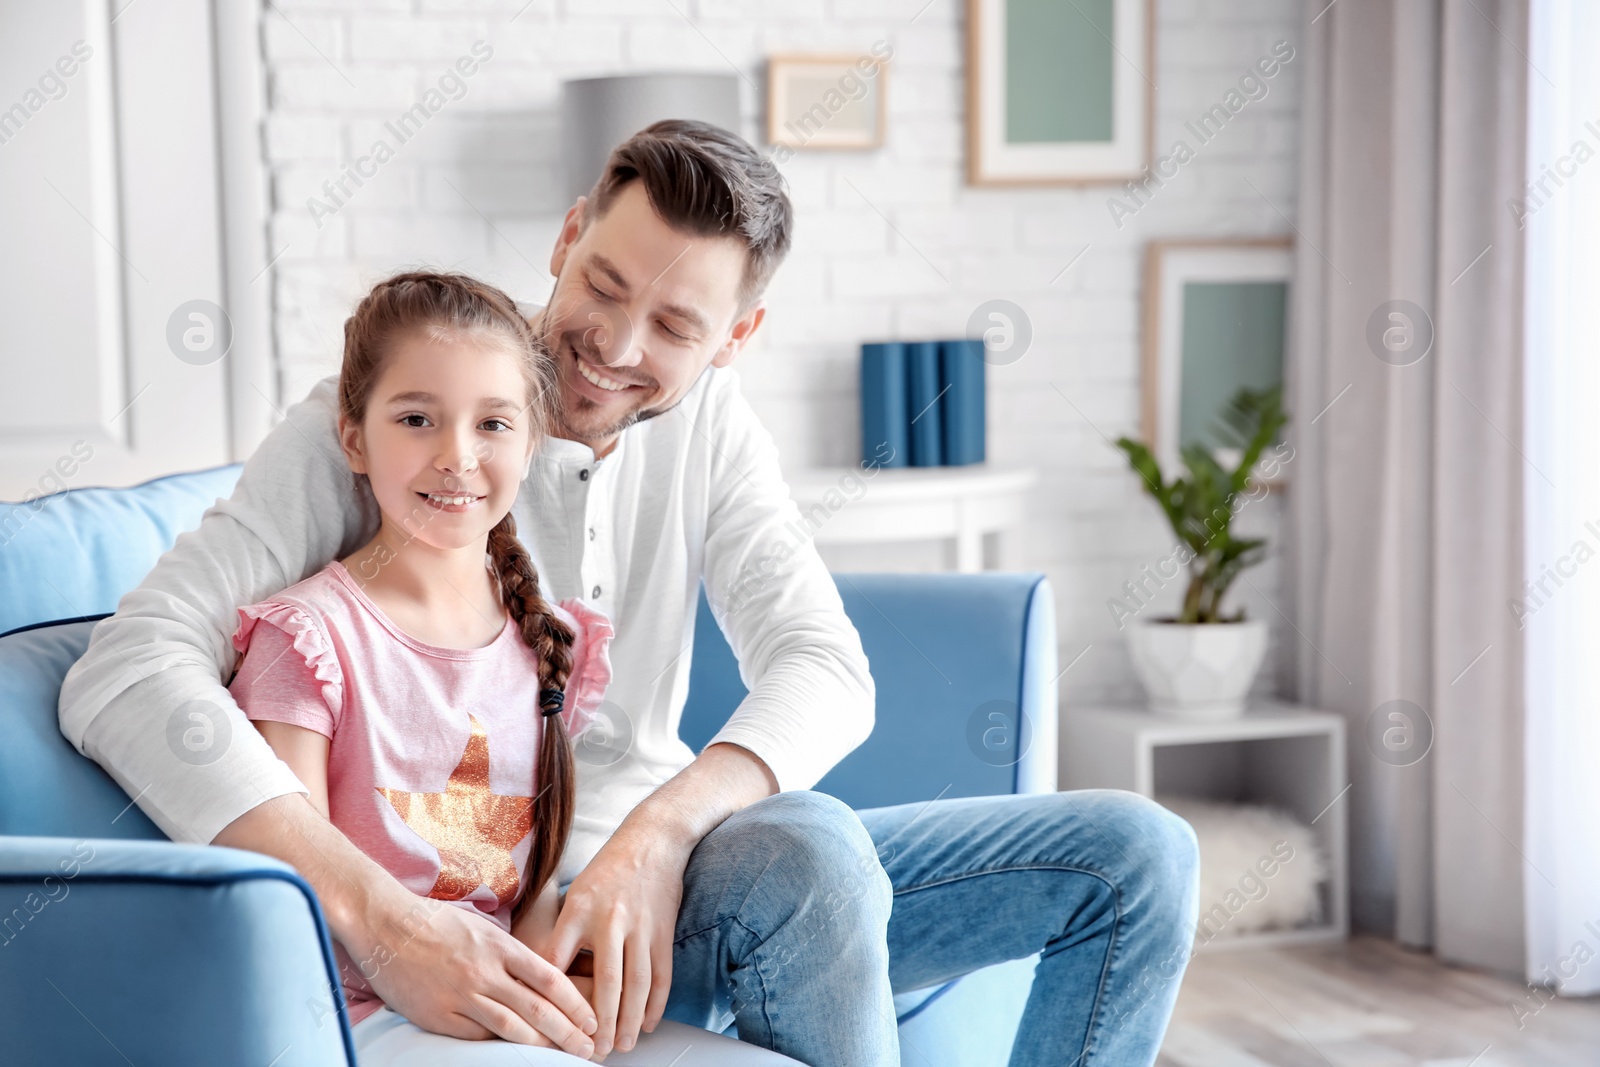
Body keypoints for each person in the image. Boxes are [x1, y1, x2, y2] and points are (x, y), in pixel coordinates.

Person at [59, 119, 1199, 1066]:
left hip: (697, 883)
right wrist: (375, 916)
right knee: (806, 844)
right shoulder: (395, 419)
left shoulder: (708, 422)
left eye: (675, 326)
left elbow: (825, 668)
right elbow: (130, 666)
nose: (611, 344)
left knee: (1138, 854)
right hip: (521, 916)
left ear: (738, 338)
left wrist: (656, 835)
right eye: (601, 283)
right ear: (565, 236)